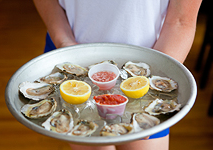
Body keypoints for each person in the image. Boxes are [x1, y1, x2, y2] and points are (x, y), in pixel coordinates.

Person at [33, 0, 202, 150]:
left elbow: (181, 21)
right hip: (72, 60)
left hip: (149, 70)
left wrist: (150, 85)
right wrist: (64, 41)